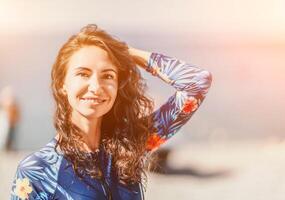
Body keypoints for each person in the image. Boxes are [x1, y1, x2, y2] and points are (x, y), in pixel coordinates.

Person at [10, 24, 212, 200]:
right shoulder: (37, 171)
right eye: (83, 73)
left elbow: (197, 83)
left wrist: (125, 52)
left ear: (117, 86)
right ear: (63, 83)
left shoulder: (131, 145)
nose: (96, 86)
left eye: (107, 76)